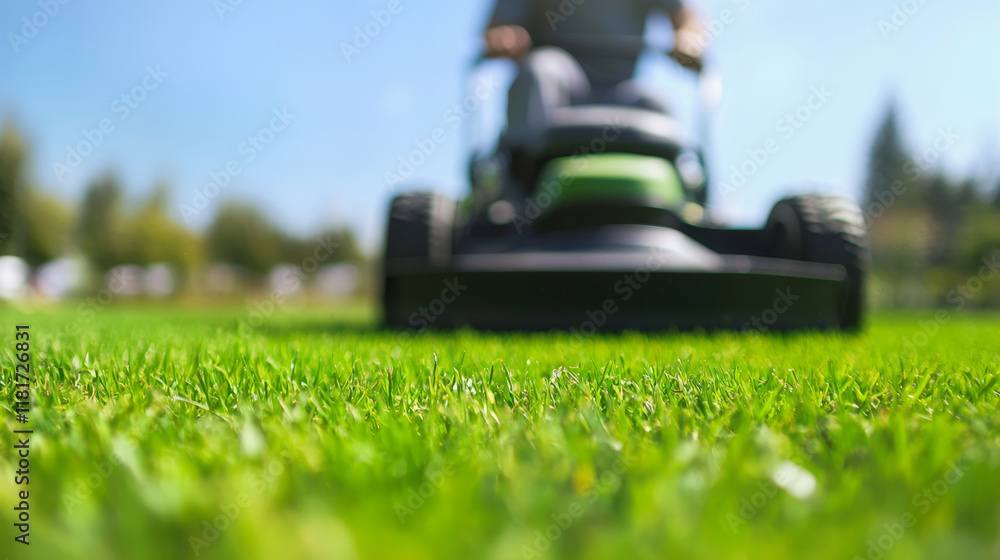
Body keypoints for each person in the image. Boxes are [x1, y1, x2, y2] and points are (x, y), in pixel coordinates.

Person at [484, 0, 707, 143]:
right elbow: (497, 26)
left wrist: (688, 41)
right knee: (539, 70)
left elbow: (686, 19)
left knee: (656, 107)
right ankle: (519, 186)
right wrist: (504, 37)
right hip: (558, 85)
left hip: (622, 90)